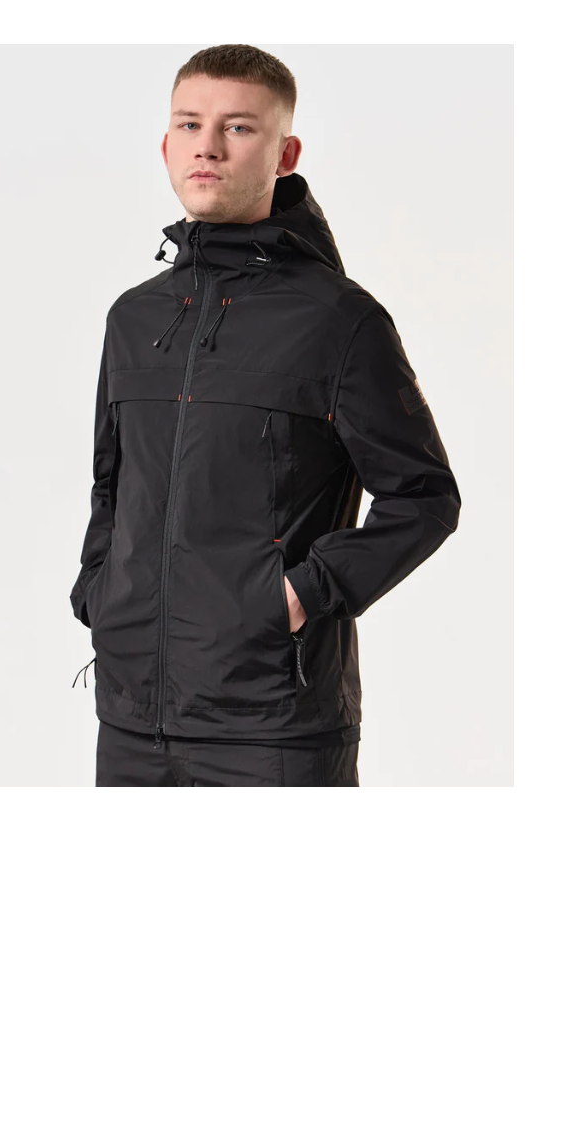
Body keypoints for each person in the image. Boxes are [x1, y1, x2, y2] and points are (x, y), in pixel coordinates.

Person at [70, 44, 461, 786]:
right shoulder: (135, 318)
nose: (208, 146)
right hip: (130, 720)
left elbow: (424, 497)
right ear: (166, 145)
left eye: (239, 127)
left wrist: (298, 597)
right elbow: (112, 483)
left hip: (274, 727)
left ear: (285, 154)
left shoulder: (337, 320)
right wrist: (101, 593)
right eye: (190, 124)